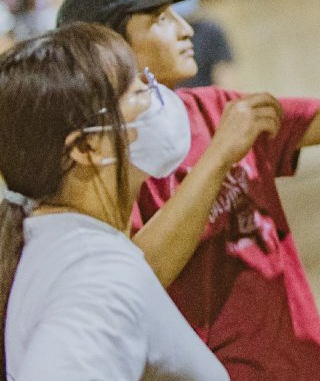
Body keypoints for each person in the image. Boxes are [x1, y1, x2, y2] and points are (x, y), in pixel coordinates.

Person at [56, 0, 320, 381]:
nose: (186, 29)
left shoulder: (216, 109)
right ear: (108, 50)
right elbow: (138, 276)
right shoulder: (97, 160)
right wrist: (220, 155)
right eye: (160, 19)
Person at [0, 23, 227, 380]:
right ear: (86, 147)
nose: (157, 98)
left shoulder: (49, 242)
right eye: (139, 92)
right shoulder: (98, 278)